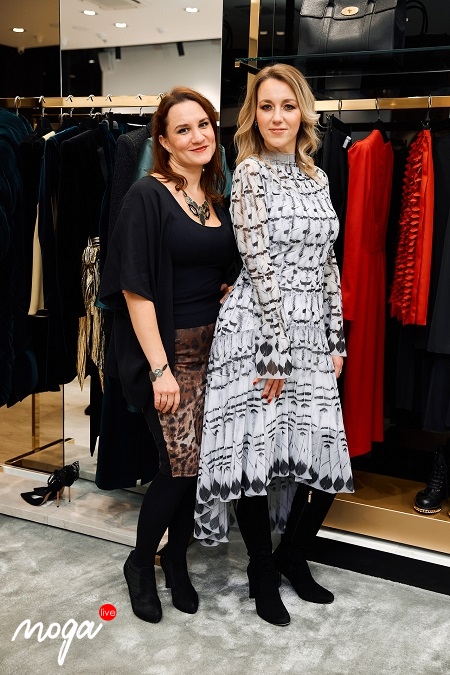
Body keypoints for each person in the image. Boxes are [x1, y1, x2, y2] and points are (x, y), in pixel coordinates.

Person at [194, 64, 354, 627]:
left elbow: (328, 264)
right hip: (259, 332)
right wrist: (277, 350)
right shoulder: (250, 173)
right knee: (255, 457)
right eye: (266, 106)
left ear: (302, 112)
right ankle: (263, 568)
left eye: (287, 106)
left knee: (317, 452)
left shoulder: (318, 176)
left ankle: (293, 555)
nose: (278, 117)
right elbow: (258, 265)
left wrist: (335, 337)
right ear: (253, 116)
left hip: (312, 332)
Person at [99, 87, 238, 623]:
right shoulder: (146, 195)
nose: (198, 136)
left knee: (200, 468)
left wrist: (227, 288)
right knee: (178, 467)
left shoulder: (216, 196)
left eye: (204, 124)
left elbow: (216, 266)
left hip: (216, 352)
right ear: (163, 140)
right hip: (168, 354)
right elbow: (135, 289)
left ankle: (175, 559)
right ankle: (140, 562)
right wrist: (160, 369)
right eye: (184, 129)